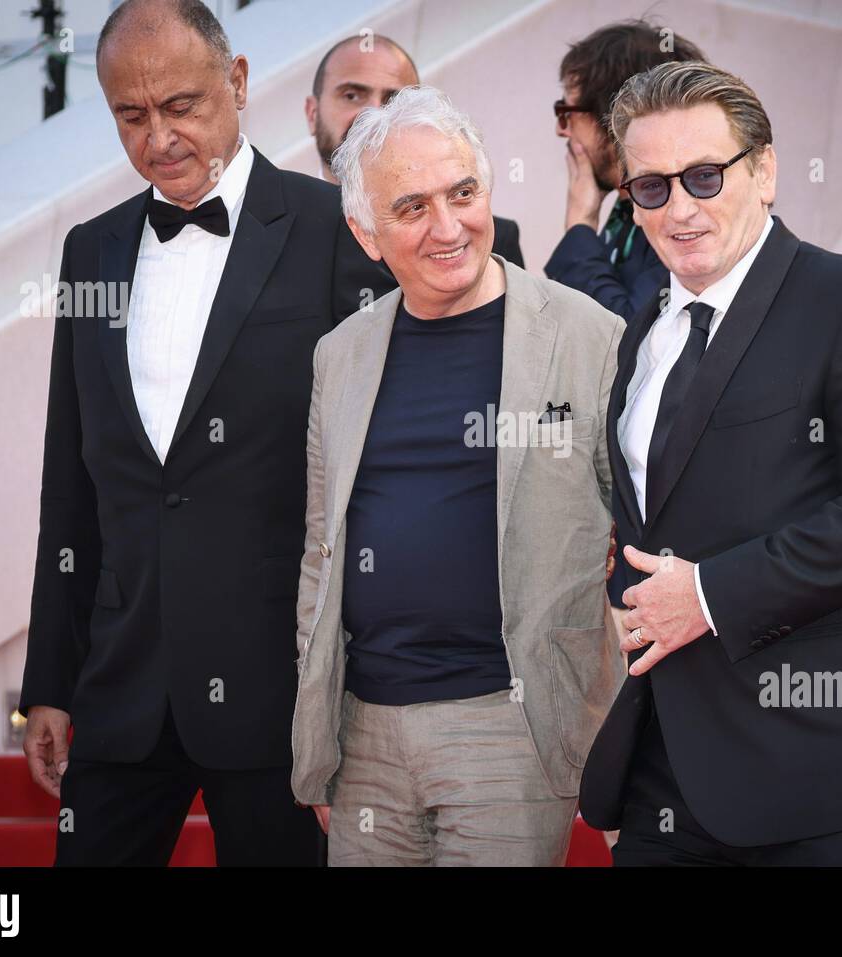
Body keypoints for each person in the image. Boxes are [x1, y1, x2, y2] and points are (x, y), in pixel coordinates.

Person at [17, 0, 394, 866]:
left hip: (280, 694)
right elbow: (69, 482)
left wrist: (361, 685)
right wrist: (50, 678)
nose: (158, 139)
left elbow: (369, 478)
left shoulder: (334, 232)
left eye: (181, 106)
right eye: (131, 115)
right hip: (121, 685)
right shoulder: (92, 251)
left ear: (237, 83)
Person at [578, 61, 842, 866]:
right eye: (652, 187)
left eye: (706, 177)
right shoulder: (642, 334)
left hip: (829, 774)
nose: (681, 208)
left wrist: (711, 594)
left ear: (766, 171)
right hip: (669, 774)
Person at [290, 86, 625, 866]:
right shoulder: (339, 354)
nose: (449, 228)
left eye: (463, 193)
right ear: (365, 234)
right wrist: (320, 734)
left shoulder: (590, 335)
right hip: (364, 729)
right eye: (411, 208)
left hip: (512, 725)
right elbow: (322, 548)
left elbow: (642, 529)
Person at [305, 33, 525, 265]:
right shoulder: (283, 238)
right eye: (352, 96)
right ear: (312, 113)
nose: (373, 114)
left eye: (393, 100)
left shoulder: (487, 239)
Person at [544, 19, 704, 320]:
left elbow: (622, 334)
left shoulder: (677, 215)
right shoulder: (626, 211)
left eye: (566, 112)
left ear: (611, 119)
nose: (560, 130)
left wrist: (580, 225)